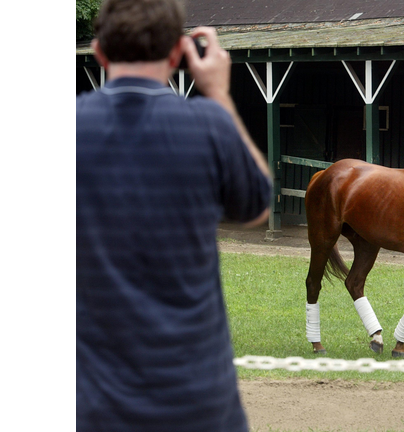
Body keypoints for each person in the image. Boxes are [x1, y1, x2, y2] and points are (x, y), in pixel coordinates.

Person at [76, 0, 272, 431]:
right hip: (199, 402)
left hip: (93, 405)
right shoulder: (208, 124)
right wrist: (219, 94)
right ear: (175, 54)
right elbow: (258, 206)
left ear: (100, 53)